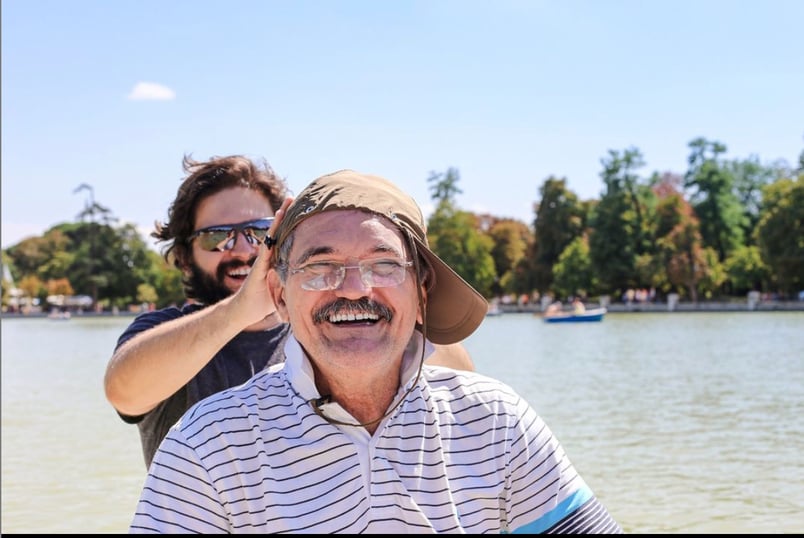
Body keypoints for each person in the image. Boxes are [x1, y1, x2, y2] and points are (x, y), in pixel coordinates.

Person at [129, 169, 623, 533]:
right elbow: (124, 386)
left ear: (422, 287)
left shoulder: (496, 420)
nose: (352, 288)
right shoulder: (205, 443)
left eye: (384, 264)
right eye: (320, 268)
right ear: (278, 292)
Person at [104, 155, 474, 470]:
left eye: (258, 231)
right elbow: (124, 392)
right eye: (217, 237)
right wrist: (242, 309)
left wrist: (383, 304)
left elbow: (461, 390)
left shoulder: (330, 319)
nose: (241, 249)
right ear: (185, 255)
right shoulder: (164, 331)